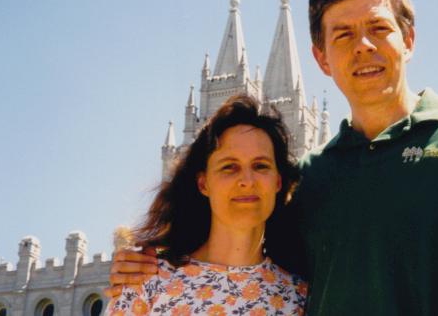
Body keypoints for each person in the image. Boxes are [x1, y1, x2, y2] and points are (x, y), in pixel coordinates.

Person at [106, 0, 438, 315]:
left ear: (408, 40)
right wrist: (142, 261)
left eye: (379, 28)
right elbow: (235, 243)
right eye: (343, 35)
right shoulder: (310, 177)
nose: (364, 46)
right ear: (321, 58)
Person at [104, 94, 307, 315]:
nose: (247, 181)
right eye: (229, 167)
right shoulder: (145, 283)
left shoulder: (299, 299)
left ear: (278, 182)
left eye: (260, 166)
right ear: (203, 183)